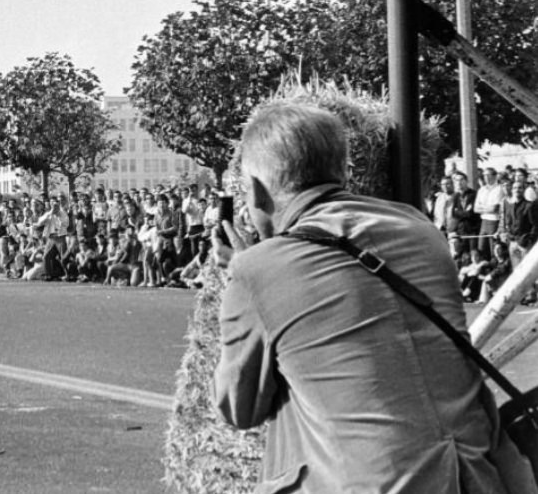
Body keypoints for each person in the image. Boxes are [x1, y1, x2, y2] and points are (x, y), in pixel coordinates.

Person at [212, 102, 533, 493]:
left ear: (258, 192)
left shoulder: (256, 270)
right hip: (476, 477)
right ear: (343, 171)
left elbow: (239, 409)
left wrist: (241, 277)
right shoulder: (420, 229)